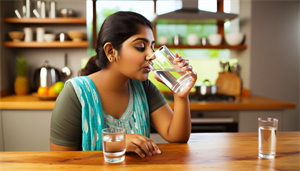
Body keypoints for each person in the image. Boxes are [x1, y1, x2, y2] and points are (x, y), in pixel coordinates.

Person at [50, 11, 197, 158]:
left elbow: (177, 137)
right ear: (111, 51)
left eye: (152, 47)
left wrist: (180, 96)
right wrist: (116, 144)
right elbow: (61, 161)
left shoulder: (143, 87)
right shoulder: (75, 94)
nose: (151, 55)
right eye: (140, 46)